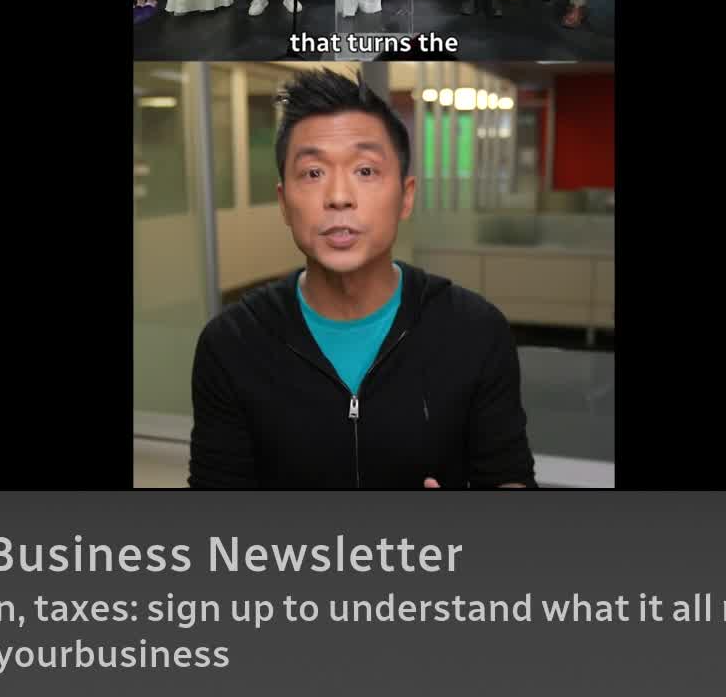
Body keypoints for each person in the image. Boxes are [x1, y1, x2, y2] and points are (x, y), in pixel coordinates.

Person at [187, 69, 536, 489]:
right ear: (284, 203)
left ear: (406, 197)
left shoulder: (474, 330)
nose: (338, 197)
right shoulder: (232, 345)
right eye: (313, 173)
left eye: (366, 171)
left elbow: (509, 479)